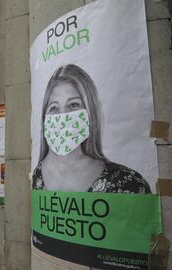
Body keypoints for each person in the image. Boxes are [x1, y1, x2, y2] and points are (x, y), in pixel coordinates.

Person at [32, 64, 151, 193]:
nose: (63, 116)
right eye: (54, 108)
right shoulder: (37, 175)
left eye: (73, 105)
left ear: (90, 113)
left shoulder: (128, 183)